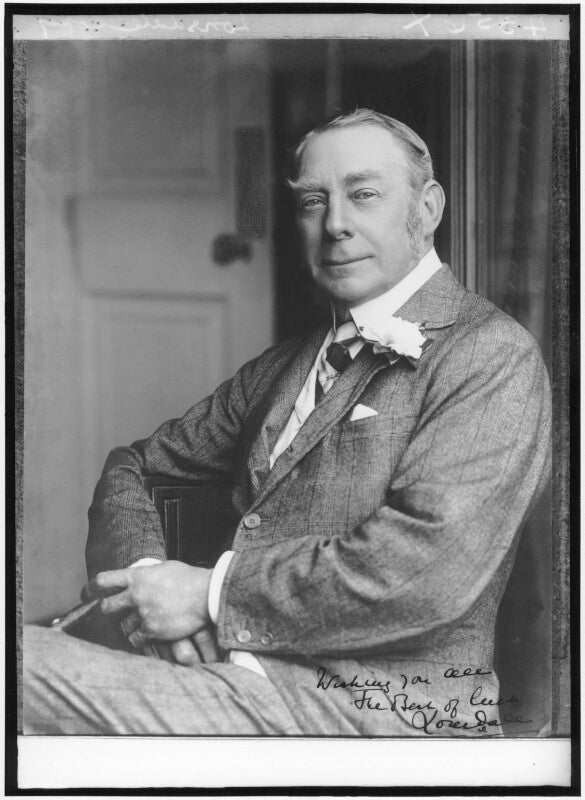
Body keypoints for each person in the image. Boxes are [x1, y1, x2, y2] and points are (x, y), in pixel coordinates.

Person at [24, 109, 551, 737]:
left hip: (382, 714)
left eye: (363, 195)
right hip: (233, 679)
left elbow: (427, 574)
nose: (335, 224)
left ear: (428, 207)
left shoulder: (489, 354)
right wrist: (146, 584)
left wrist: (210, 596)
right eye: (312, 202)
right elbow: (137, 464)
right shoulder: (286, 366)